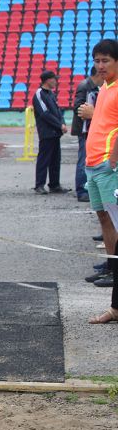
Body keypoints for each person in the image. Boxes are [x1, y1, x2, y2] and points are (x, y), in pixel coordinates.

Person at [79, 40, 118, 324]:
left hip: (108, 165)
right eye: (97, 61)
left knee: (114, 221)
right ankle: (111, 265)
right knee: (104, 219)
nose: (100, 66)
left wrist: (114, 159)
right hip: (94, 164)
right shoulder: (104, 88)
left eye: (106, 60)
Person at [32, 71, 70, 195]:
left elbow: (58, 111)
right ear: (47, 80)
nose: (56, 81)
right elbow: (44, 113)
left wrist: (62, 123)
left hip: (55, 132)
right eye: (54, 79)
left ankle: (54, 185)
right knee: (44, 159)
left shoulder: (51, 94)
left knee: (55, 160)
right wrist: (59, 125)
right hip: (47, 133)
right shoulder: (39, 94)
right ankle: (39, 185)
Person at [72, 69, 103, 204]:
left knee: (89, 158)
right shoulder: (85, 86)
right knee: (83, 159)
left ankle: (88, 188)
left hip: (91, 128)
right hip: (85, 130)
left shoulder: (93, 87)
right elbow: (78, 107)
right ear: (97, 74)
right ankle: (81, 191)